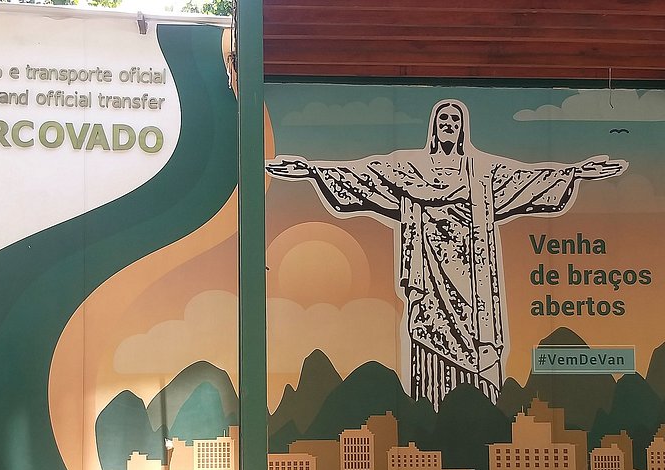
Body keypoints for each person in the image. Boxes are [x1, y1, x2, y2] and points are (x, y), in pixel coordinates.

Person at [266, 99, 627, 410]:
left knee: (475, 343)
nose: (450, 125)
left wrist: (576, 173)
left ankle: (478, 413)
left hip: (473, 278)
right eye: (443, 120)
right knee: (428, 335)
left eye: (455, 120)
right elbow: (364, 178)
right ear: (434, 129)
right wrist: (312, 170)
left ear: (462, 129)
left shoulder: (483, 175)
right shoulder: (410, 172)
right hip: (429, 273)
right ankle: (433, 414)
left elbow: (526, 180)